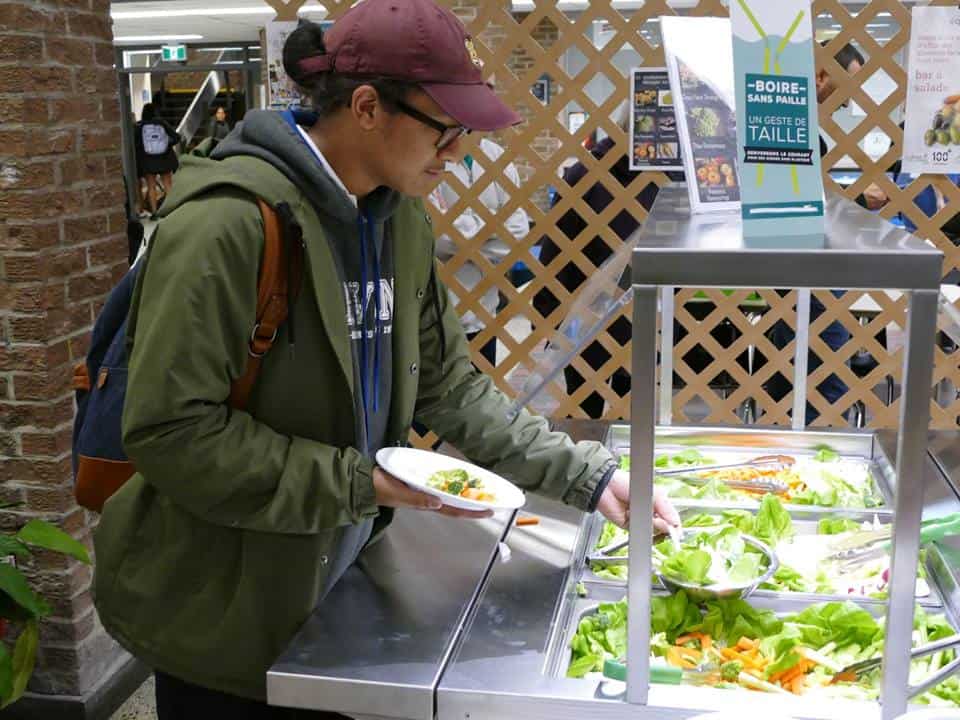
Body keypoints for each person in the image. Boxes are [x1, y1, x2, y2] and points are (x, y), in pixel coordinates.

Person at [92, 4, 680, 718]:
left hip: (335, 593)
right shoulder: (227, 226)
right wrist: (362, 481)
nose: (458, 151)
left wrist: (592, 480)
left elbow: (451, 388)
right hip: (224, 619)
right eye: (446, 128)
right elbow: (169, 434)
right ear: (368, 106)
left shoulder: (399, 220)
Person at [533, 104, 684, 418]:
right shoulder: (587, 175)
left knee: (629, 416)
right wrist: (552, 316)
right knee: (590, 413)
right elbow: (557, 254)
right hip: (588, 319)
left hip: (639, 319)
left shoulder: (671, 179)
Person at [428, 134, 530, 367]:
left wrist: (462, 227)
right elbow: (436, 234)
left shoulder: (497, 157)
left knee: (481, 395)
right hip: (439, 315)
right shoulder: (432, 153)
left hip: (486, 315)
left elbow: (518, 233)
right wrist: (495, 225)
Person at [134, 102, 180, 219]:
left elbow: (137, 144)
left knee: (151, 187)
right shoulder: (162, 123)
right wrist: (166, 144)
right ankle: (171, 210)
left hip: (148, 161)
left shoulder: (141, 126)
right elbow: (177, 137)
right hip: (164, 159)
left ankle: (154, 213)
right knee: (168, 185)